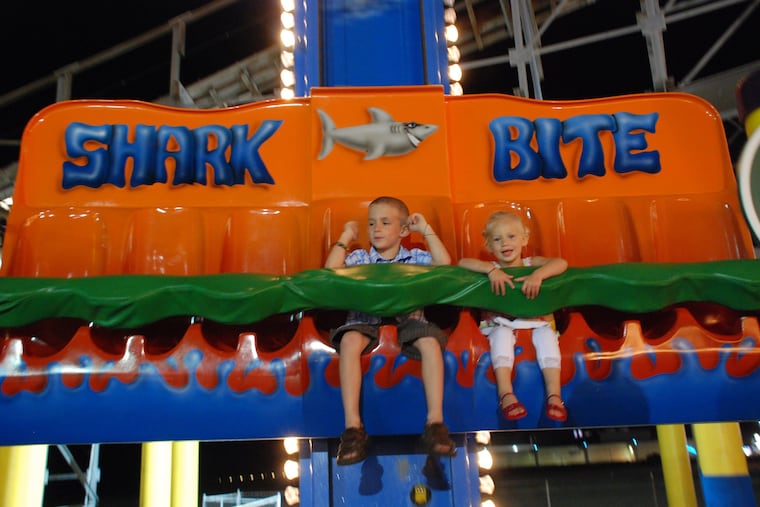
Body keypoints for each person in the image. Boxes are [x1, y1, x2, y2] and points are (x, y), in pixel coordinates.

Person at [325, 196, 456, 466]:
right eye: (372, 223)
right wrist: (345, 236)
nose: (377, 229)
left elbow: (445, 264)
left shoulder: (416, 257)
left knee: (430, 344)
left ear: (404, 230)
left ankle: (436, 424)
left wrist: (426, 230)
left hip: (409, 319)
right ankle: (352, 428)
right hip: (366, 318)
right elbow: (330, 271)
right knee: (349, 341)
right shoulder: (360, 257)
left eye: (385, 223)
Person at [458, 211, 569, 422]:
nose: (504, 244)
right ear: (489, 246)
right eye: (497, 239)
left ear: (524, 239)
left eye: (511, 236)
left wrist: (538, 275)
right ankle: (506, 394)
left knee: (547, 338)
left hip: (536, 321)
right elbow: (463, 263)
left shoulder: (531, 263)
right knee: (502, 336)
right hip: (502, 322)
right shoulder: (494, 268)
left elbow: (561, 263)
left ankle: (554, 396)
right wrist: (490, 271)